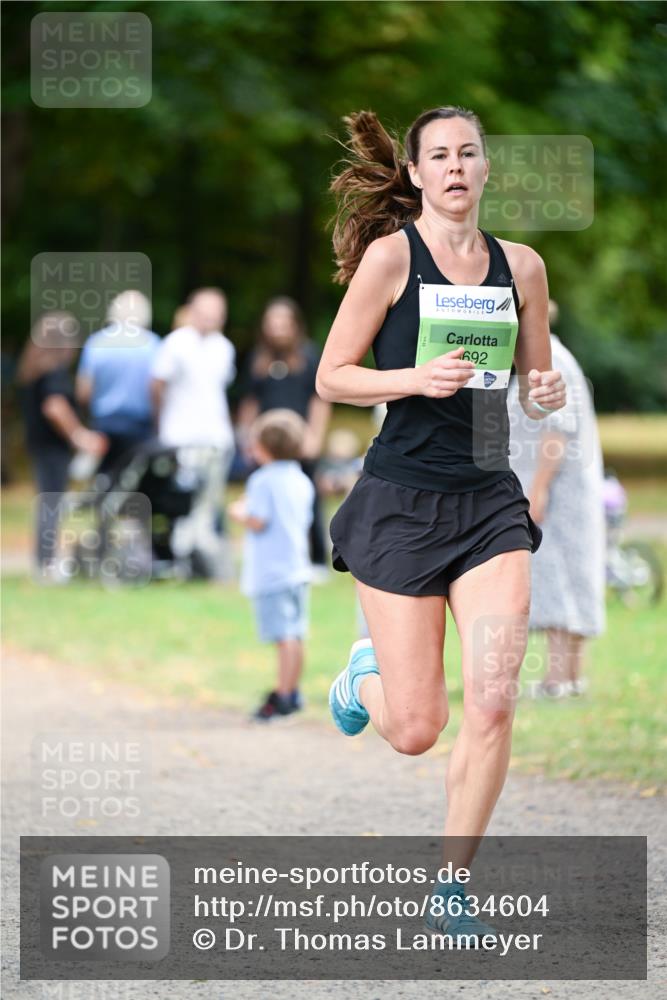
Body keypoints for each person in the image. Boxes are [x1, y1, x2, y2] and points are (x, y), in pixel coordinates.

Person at [316, 106, 566, 939]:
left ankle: (452, 888)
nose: (455, 166)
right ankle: (362, 678)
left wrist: (544, 393)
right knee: (418, 730)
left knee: (493, 701)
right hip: (401, 498)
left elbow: (527, 382)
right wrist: (412, 379)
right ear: (418, 175)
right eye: (439, 156)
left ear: (485, 167)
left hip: (487, 501)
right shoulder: (393, 259)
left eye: (468, 152)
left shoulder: (520, 266)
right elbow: (332, 377)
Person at [508, 300, 606, 697]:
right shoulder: (542, 360)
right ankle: (569, 676)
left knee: (560, 578)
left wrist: (538, 491)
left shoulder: (550, 362)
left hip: (556, 492)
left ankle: (558, 679)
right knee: (567, 577)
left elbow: (557, 432)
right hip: (554, 489)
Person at [228, 409, 314, 720]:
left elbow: (258, 520)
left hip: (272, 571)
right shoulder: (301, 479)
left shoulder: (262, 480)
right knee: (295, 633)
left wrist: (238, 512)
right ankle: (293, 689)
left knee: (283, 636)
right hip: (297, 568)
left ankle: (283, 694)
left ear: (263, 447)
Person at [236, 297, 331, 576]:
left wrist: (315, 436)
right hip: (267, 444)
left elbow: (320, 399)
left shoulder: (309, 356)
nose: (278, 329)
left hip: (299, 442)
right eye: (272, 323)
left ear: (295, 326)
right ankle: (269, 559)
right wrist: (247, 437)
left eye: (283, 323)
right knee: (266, 497)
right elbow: (250, 401)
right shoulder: (257, 360)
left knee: (309, 498)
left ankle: (315, 560)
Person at [151, 287, 236, 579]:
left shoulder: (224, 347)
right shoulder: (176, 344)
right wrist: (162, 426)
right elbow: (158, 387)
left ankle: (201, 560)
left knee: (208, 505)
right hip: (181, 438)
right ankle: (178, 559)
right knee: (181, 500)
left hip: (216, 438)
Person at [17, 313, 107, 578]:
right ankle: (47, 564)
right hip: (52, 448)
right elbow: (55, 407)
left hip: (39, 445)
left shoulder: (33, 370)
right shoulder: (54, 373)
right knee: (52, 503)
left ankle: (44, 561)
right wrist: (79, 435)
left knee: (48, 501)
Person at [75, 290, 160, 476]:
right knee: (135, 477)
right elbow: (157, 389)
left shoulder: (96, 343)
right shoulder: (153, 344)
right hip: (140, 424)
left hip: (104, 422)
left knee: (105, 477)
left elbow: (84, 391)